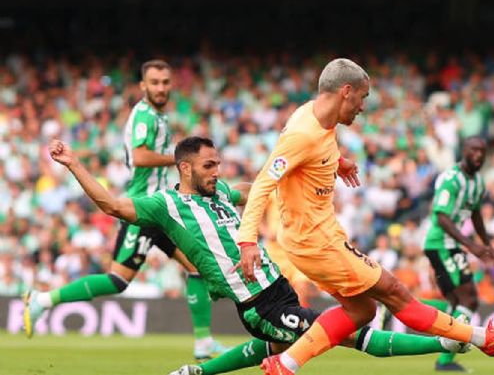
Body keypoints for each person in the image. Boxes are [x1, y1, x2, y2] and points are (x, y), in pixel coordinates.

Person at [46, 136, 471, 375]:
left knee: (269, 351)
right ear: (185, 169)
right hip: (257, 303)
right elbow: (112, 207)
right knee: (349, 333)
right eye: (209, 166)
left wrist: (304, 171)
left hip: (279, 291)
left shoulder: (224, 194)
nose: (218, 172)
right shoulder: (164, 205)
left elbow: (259, 187)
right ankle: (447, 342)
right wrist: (73, 163)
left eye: (219, 164)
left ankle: (196, 372)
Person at [235, 58, 494, 375]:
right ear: (346, 91)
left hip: (316, 238)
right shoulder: (302, 133)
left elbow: (316, 148)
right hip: (317, 243)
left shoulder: (314, 116)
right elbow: (264, 182)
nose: (362, 107)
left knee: (361, 310)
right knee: (395, 293)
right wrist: (247, 240)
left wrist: (337, 162)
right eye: (362, 97)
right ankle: (483, 338)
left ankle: (286, 363)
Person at [23, 60, 228, 360]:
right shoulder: (145, 115)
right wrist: (180, 161)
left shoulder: (160, 116)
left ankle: (203, 342)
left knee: (197, 266)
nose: (161, 87)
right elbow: (142, 156)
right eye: (155, 82)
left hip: (162, 208)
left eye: (165, 82)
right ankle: (42, 299)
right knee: (118, 280)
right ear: (143, 86)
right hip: (143, 209)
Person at [422, 136, 494, 372]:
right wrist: (472, 246)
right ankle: (444, 363)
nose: (479, 154)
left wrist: (487, 245)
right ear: (464, 150)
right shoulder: (451, 179)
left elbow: (475, 215)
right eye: (474, 149)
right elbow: (441, 217)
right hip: (440, 244)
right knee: (469, 301)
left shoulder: (478, 183)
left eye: (482, 150)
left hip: (451, 245)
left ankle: (393, 304)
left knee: (455, 304)